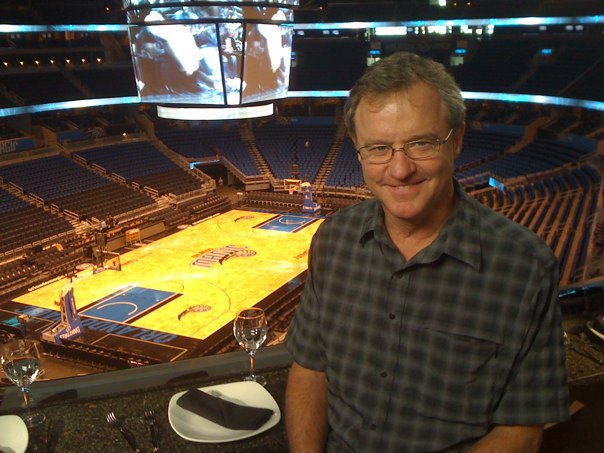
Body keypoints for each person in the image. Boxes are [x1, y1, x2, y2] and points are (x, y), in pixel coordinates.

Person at [284, 52, 569, 452]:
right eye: (379, 148)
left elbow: (520, 430)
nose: (400, 170)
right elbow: (310, 371)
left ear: (458, 140)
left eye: (421, 143)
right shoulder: (333, 240)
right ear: (358, 150)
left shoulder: (525, 265)